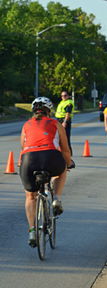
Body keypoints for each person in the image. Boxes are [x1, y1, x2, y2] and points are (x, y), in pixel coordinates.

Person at [19, 97, 72, 247]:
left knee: (30, 196)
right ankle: (57, 199)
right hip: (51, 157)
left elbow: (23, 148)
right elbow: (65, 149)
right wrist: (69, 163)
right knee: (62, 171)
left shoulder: (26, 125)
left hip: (28, 160)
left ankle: (31, 231)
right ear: (49, 111)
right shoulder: (55, 123)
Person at [55, 90, 74, 155]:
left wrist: (64, 122)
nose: (63, 97)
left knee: (65, 138)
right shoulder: (62, 102)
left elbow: (68, 113)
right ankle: (61, 152)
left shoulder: (68, 103)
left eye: (65, 95)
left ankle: (69, 153)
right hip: (59, 121)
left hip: (64, 121)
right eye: (62, 96)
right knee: (59, 137)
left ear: (68, 96)